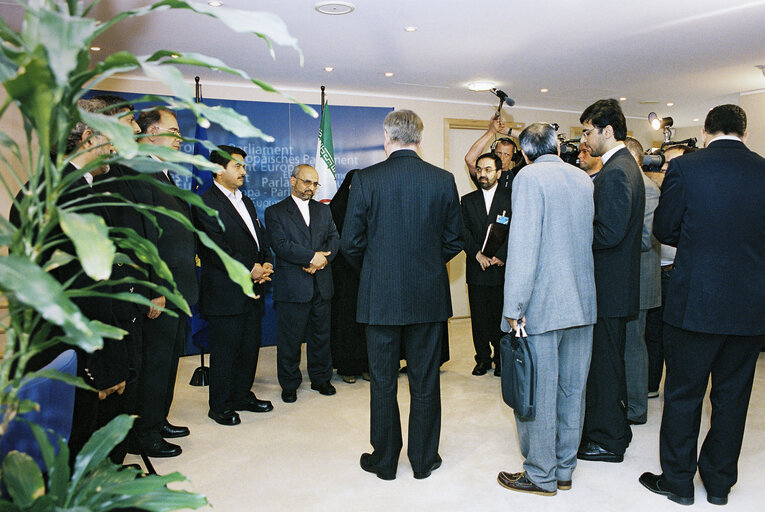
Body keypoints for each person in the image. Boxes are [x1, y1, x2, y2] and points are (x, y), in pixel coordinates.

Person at [639, 104, 765, 506]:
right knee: (732, 398)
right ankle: (719, 484)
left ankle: (677, 482)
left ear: (707, 132)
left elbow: (664, 229)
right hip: (749, 306)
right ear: (744, 134)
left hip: (695, 302)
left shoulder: (686, 169)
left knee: (683, 394)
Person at [341, 109, 463, 481]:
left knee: (383, 383)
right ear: (419, 138)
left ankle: (385, 462)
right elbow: (455, 240)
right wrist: (426, 264)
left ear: (387, 137)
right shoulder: (443, 179)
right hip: (427, 298)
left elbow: (350, 244)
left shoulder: (365, 179)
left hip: (380, 298)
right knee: (425, 380)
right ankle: (424, 461)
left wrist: (377, 272)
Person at [496, 122, 596, 497]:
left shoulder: (528, 178)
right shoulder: (583, 179)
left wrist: (513, 307)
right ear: (557, 146)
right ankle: (565, 469)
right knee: (573, 391)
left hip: (542, 306)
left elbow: (524, 248)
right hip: (582, 303)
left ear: (523, 153)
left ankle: (540, 474)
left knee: (537, 392)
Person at [577, 99, 644, 463]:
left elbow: (609, 233)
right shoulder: (620, 166)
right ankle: (616, 428)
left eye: (589, 131)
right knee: (609, 363)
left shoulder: (618, 170)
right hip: (615, 286)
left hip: (609, 286)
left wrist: (577, 231)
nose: (585, 139)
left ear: (608, 130)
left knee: (604, 366)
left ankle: (607, 440)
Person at [133, 108, 198, 458]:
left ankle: (158, 420)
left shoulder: (163, 172)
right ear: (152, 133)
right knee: (155, 364)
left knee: (170, 361)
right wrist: (153, 288)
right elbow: (141, 238)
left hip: (177, 291)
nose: (179, 138)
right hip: (160, 292)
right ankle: (144, 432)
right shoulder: (141, 172)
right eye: (174, 131)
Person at [195, 145, 274, 426]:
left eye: (243, 166)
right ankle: (220, 406)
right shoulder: (205, 202)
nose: (243, 171)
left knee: (248, 348)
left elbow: (259, 239)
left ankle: (242, 395)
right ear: (219, 169)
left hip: (253, 289)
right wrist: (249, 269)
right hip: (225, 294)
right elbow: (217, 248)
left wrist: (265, 262)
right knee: (226, 353)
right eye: (237, 166)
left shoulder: (247, 201)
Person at [264, 164, 339, 403]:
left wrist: (321, 262)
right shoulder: (275, 212)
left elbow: (334, 239)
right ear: (292, 181)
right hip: (293, 286)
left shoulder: (324, 211)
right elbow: (281, 245)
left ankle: (321, 378)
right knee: (290, 339)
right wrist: (311, 257)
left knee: (321, 336)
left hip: (321, 283)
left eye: (315, 183)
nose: (312, 188)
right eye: (307, 182)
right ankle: (289, 383)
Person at [643, 144, 694, 397]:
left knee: (674, 337)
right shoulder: (652, 191)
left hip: (677, 272)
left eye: (671, 165)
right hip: (654, 271)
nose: (665, 169)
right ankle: (651, 384)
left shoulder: (690, 194)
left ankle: (674, 388)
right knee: (652, 333)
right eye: (663, 165)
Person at [460, 152, 511, 376]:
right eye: (479, 169)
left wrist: (502, 254)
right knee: (479, 319)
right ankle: (482, 359)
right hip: (477, 269)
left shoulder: (511, 197)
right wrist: (477, 254)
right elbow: (462, 232)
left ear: (499, 173)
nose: (482, 174)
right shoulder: (468, 200)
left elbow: (517, 230)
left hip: (501, 269)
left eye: (488, 169)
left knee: (500, 317)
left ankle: (501, 360)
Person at [622, 136, 661, 425]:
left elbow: (646, 239)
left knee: (634, 346)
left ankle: (637, 409)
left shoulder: (648, 188)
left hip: (640, 277)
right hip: (625, 277)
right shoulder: (628, 184)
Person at [328, 170, 369, 383]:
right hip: (344, 276)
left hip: (366, 273)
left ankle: (366, 364)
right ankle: (346, 367)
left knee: (367, 322)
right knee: (345, 321)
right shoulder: (335, 209)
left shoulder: (370, 207)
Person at [464, 115, 523, 188]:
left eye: (507, 155)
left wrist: (506, 130)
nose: (502, 158)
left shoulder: (517, 174)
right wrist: (491, 131)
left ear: (513, 157)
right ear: (493, 153)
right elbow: (469, 159)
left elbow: (533, 141)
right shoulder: (484, 175)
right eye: (499, 153)